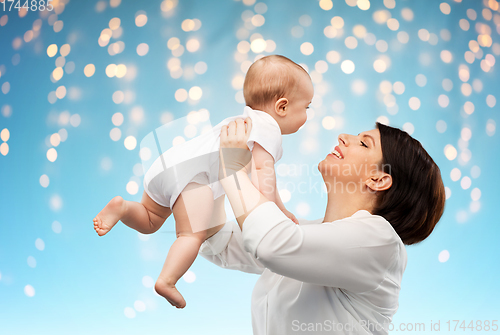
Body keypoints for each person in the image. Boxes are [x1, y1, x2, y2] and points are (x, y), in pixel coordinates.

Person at [92, 55, 314, 308]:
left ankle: (123, 208)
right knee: (190, 235)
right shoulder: (268, 129)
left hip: (167, 164)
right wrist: (277, 211)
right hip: (192, 177)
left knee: (150, 219)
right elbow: (264, 176)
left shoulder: (243, 120)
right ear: (282, 106)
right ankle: (167, 280)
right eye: (306, 107)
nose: (307, 114)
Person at [200, 118, 446, 335]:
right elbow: (219, 243)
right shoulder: (305, 233)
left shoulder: (381, 243)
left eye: (363, 143)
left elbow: (269, 242)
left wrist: (232, 166)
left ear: (378, 179)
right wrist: (208, 170)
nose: (344, 137)